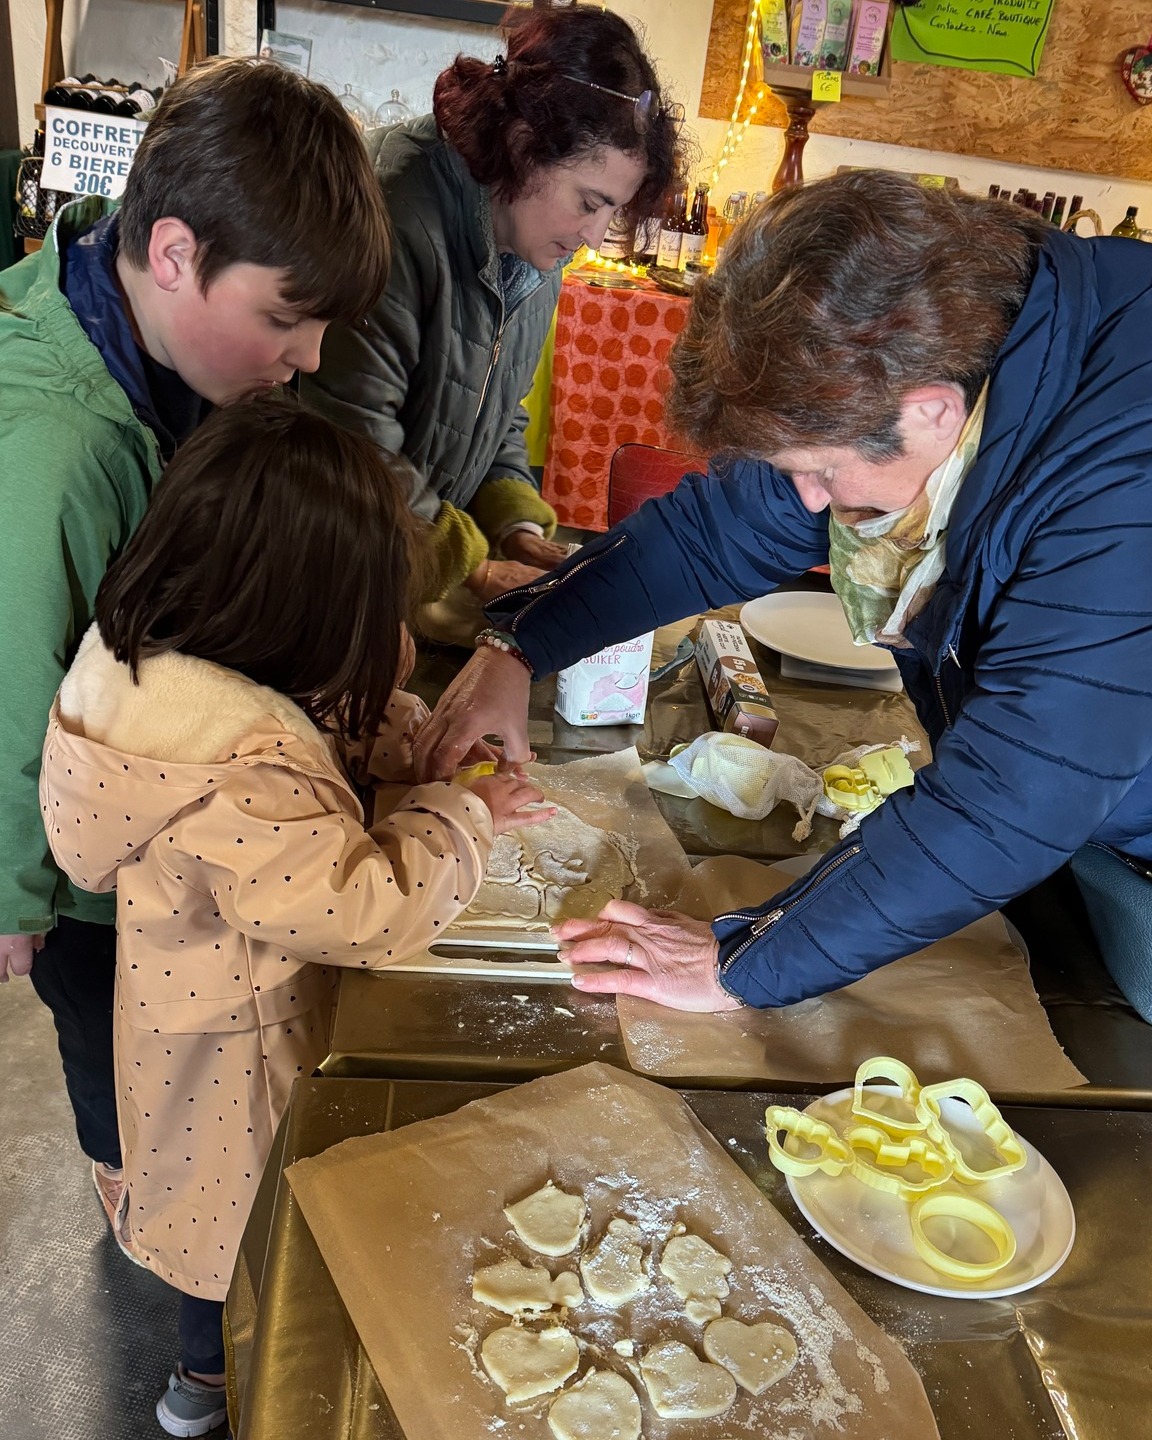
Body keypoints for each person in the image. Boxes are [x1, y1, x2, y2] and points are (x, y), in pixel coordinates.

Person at [412, 170, 1152, 1014]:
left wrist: (741, 961)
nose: (806, 501)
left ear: (932, 415)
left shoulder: (1124, 482)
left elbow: (1021, 792)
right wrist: (520, 642)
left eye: (819, 473)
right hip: (1074, 813)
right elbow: (718, 528)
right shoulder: (948, 342)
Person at [40, 393, 549, 1436]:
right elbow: (361, 905)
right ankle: (214, 1387)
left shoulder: (175, 673)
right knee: (231, 1230)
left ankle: (209, 1368)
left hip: (196, 1027)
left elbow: (308, 737)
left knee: (210, 1211)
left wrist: (399, 734)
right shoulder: (232, 769)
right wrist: (462, 811)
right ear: (291, 620)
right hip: (239, 1056)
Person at [0, 56, 390, 1273]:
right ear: (172, 254)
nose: (312, 358)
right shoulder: (61, 449)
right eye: (286, 318)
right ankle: (156, 1235)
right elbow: (15, 685)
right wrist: (14, 899)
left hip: (155, 822)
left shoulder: (150, 341)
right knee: (135, 1087)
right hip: (84, 881)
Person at [300, 2, 682, 634]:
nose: (593, 234)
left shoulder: (534, 246)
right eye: (589, 202)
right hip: (317, 572)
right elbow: (350, 445)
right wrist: (475, 568)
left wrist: (516, 525)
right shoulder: (394, 214)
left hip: (396, 569)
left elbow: (495, 406)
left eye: (610, 212)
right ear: (524, 145)